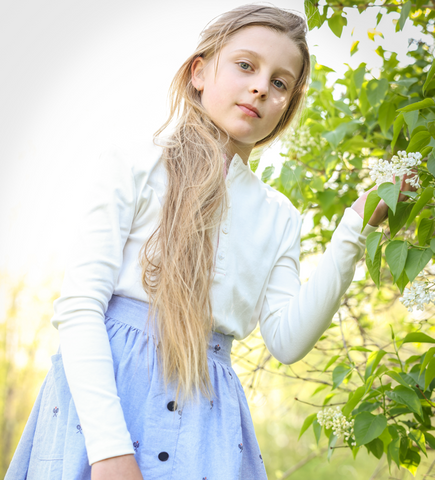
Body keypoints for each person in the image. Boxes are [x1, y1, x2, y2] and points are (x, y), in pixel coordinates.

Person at [5, 4, 416, 480]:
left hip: (204, 425)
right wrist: (109, 450)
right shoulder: (135, 163)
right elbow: (79, 309)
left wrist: (354, 228)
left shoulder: (277, 215)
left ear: (286, 107)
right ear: (199, 71)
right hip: (102, 406)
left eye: (280, 83)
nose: (261, 86)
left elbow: (286, 340)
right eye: (246, 66)